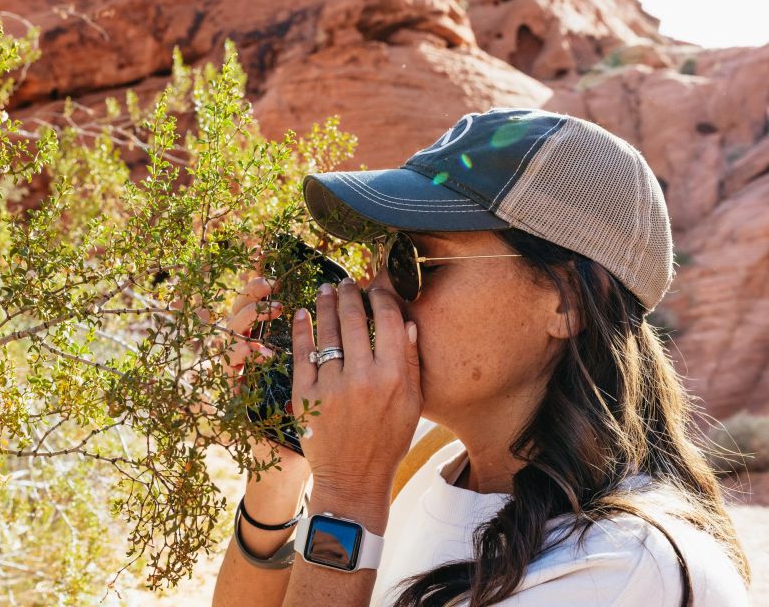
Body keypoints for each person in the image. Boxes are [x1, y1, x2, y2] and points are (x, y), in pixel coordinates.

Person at [211, 108, 750, 607]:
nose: (375, 290)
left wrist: (348, 499)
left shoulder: (622, 570)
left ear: (565, 301)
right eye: (379, 256)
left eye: (413, 260)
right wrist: (282, 470)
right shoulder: (419, 462)